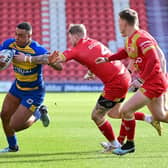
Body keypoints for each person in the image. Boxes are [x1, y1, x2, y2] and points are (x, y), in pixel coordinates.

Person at [15, 24, 162, 153]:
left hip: (114, 83)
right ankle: (149, 119)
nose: (70, 41)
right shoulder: (93, 42)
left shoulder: (76, 49)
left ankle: (114, 145)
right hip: (123, 75)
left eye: (70, 38)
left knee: (97, 116)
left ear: (75, 35)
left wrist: (32, 59)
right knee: (116, 113)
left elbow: (60, 58)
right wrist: (91, 70)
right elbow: (96, 57)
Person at [95, 8, 168, 155]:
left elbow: (154, 60)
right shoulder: (131, 38)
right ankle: (125, 143)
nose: (118, 24)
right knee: (160, 116)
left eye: (119, 21)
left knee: (126, 110)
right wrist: (108, 59)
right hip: (152, 81)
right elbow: (125, 52)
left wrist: (140, 79)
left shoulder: (141, 38)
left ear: (124, 22)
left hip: (153, 82)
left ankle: (129, 145)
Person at [0, 22, 63, 153]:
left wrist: (31, 59)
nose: (17, 38)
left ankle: (39, 113)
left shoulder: (37, 49)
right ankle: (13, 147)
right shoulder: (8, 44)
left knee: (15, 125)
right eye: (16, 34)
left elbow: (59, 66)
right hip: (17, 87)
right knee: (4, 115)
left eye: (21, 35)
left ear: (29, 36)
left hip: (34, 92)